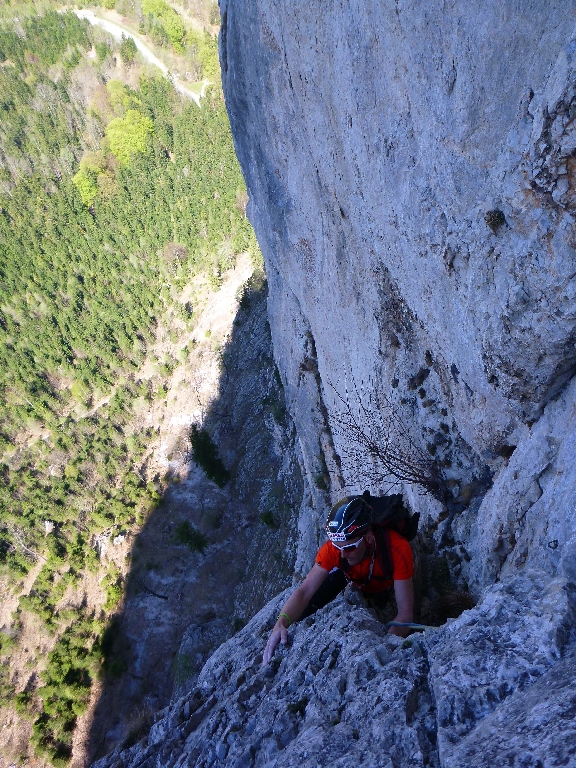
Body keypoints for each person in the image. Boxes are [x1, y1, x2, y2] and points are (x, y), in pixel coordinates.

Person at [263, 495, 414, 664]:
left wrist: (383, 647)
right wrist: (281, 622)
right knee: (317, 598)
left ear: (369, 538)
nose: (342, 554)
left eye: (349, 548)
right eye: (337, 547)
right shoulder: (335, 549)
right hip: (350, 578)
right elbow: (304, 591)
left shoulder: (398, 549)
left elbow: (405, 614)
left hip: (382, 585)